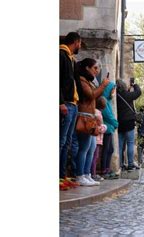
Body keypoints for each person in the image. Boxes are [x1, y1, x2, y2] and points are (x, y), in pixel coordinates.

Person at [75, 58, 110, 186]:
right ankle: (80, 175)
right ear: (87, 68)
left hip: (90, 116)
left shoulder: (89, 81)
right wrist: (103, 85)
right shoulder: (82, 80)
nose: (97, 71)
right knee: (84, 148)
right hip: (84, 116)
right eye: (95, 68)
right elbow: (91, 95)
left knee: (91, 147)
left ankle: (87, 174)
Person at [60, 32, 82, 182]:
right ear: (75, 42)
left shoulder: (71, 59)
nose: (80, 46)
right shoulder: (61, 55)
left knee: (67, 141)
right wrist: (60, 102)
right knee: (61, 140)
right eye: (80, 43)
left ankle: (62, 174)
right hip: (65, 103)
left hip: (73, 104)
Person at [116, 78, 142, 171]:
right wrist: (134, 84)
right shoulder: (127, 95)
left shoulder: (116, 95)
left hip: (119, 122)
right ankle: (130, 163)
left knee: (120, 144)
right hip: (129, 121)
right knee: (130, 143)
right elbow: (138, 92)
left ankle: (119, 164)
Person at [101, 82, 119, 179]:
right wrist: (116, 123)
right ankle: (104, 169)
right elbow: (108, 115)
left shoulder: (107, 100)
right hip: (106, 128)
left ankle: (107, 168)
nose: (113, 92)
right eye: (113, 89)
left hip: (109, 128)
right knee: (106, 149)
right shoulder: (104, 100)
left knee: (110, 149)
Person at [91, 97, 107, 181]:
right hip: (97, 139)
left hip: (96, 138)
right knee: (95, 157)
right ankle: (93, 173)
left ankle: (92, 173)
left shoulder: (94, 111)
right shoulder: (98, 113)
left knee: (93, 156)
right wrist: (105, 127)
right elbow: (99, 128)